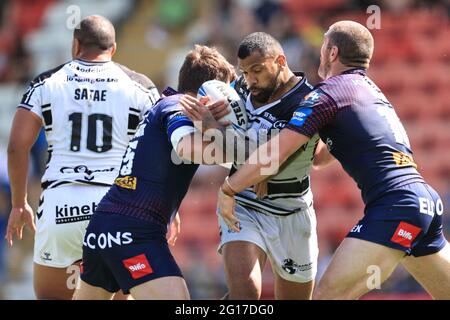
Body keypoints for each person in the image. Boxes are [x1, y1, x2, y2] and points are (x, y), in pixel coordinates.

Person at [218, 21, 450, 299]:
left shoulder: (328, 93)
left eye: (323, 45)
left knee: (326, 295)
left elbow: (276, 152)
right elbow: (320, 156)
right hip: (424, 201)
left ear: (332, 52)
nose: (319, 51)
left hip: (395, 207)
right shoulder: (370, 90)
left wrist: (229, 188)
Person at [5, 15, 168, 300]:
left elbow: (17, 147)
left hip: (60, 204)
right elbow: (161, 151)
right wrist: (167, 210)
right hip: (115, 206)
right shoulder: (141, 87)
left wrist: (19, 204)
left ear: (75, 45)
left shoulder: (46, 83)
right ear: (113, 49)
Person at [73, 44, 236, 300]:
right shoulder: (181, 105)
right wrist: (250, 153)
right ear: (212, 91)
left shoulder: (163, 105)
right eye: (227, 95)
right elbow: (187, 148)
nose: (229, 104)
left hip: (103, 225)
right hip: (135, 231)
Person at [182, 32, 333, 300]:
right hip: (245, 204)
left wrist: (264, 165)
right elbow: (229, 145)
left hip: (292, 211)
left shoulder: (309, 102)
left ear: (281, 61)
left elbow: (313, 157)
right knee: (245, 293)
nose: (250, 80)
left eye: (258, 70)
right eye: (245, 72)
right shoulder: (237, 91)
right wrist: (209, 127)